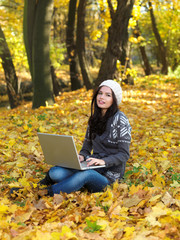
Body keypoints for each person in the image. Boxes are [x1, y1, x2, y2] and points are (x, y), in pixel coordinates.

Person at [10, 80, 131, 197]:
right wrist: (82, 156)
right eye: (100, 93)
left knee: (86, 175)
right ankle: (56, 185)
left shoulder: (121, 120)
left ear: (114, 100)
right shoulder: (95, 118)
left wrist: (103, 161)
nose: (101, 97)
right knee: (55, 172)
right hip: (93, 167)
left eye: (108, 95)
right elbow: (87, 146)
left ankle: (43, 193)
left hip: (109, 177)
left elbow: (124, 154)